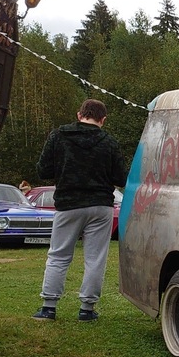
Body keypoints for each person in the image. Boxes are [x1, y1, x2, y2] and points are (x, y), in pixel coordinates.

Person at [32, 99, 128, 322]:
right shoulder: (109, 142)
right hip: (100, 205)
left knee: (58, 254)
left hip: (68, 203)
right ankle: (87, 308)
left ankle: (48, 307)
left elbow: (43, 170)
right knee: (95, 258)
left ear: (79, 115)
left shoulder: (58, 136)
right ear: (103, 119)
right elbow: (121, 178)